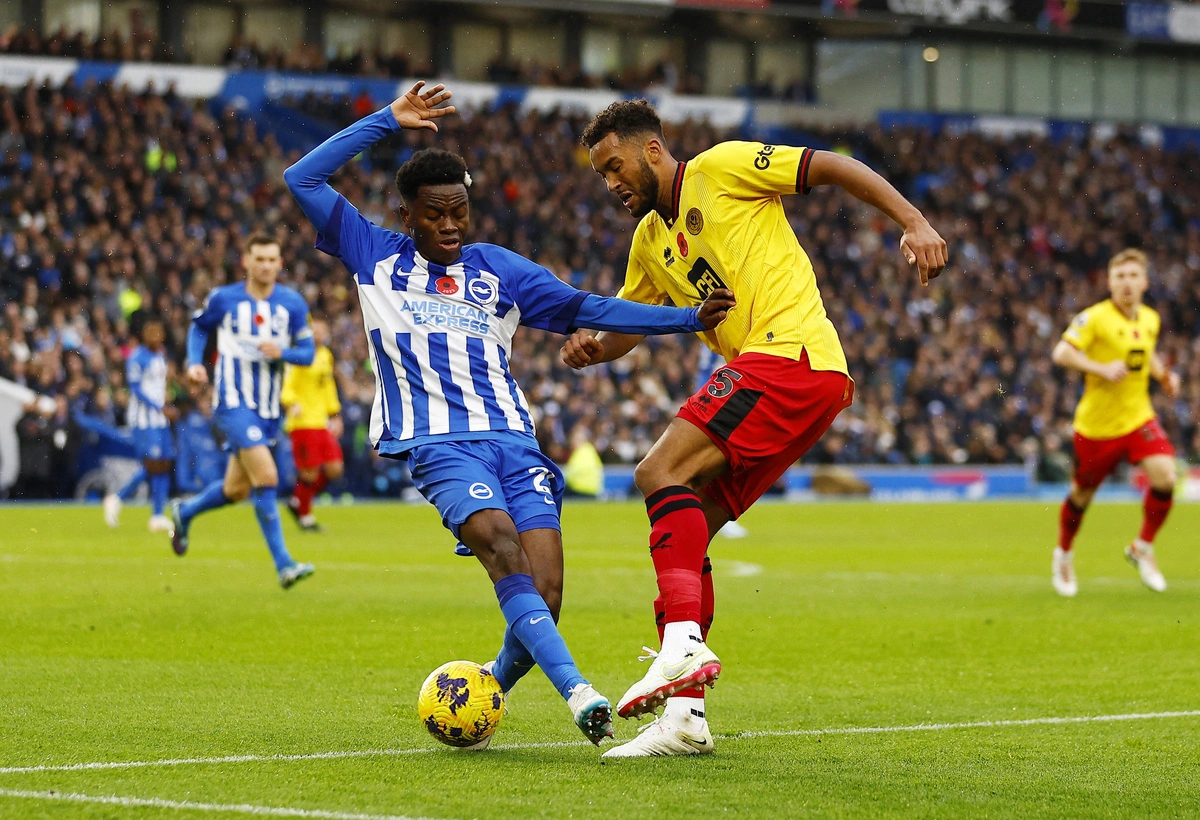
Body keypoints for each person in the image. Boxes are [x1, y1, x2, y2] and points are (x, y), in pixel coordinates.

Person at [284, 81, 734, 748]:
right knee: (498, 542)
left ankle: (484, 689)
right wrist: (388, 120)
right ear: (408, 216)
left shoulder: (498, 270)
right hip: (439, 444)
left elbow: (588, 308)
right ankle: (580, 692)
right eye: (435, 214)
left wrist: (684, 319)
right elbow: (303, 176)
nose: (450, 224)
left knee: (545, 592)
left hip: (514, 443)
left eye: (459, 212)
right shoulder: (371, 253)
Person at [565, 99, 946, 757]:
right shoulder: (650, 243)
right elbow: (633, 323)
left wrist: (911, 220)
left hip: (790, 354)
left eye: (615, 165)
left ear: (652, 149)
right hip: (793, 377)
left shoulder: (725, 168)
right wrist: (597, 346)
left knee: (658, 471)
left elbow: (830, 166)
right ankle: (685, 719)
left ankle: (680, 644)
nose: (611, 183)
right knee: (691, 527)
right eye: (601, 175)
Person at [169, 235, 317, 590]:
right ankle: (284, 565)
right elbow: (199, 325)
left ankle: (184, 512)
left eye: (271, 260)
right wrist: (193, 364)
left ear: (280, 264)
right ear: (246, 262)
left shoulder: (292, 304)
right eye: (259, 259)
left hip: (268, 410)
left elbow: (308, 353)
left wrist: (282, 352)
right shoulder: (224, 299)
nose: (265, 265)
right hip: (233, 404)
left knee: (236, 490)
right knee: (267, 477)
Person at [1049, 248, 1180, 597]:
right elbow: (1061, 353)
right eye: (1120, 276)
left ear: (1145, 282)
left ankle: (1142, 548)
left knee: (1167, 476)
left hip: (1139, 417)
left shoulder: (1150, 319)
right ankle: (1063, 553)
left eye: (1133, 276)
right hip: (1097, 426)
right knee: (1082, 495)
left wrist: (1165, 376)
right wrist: (1100, 368)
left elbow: (1145, 353)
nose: (1127, 283)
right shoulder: (1094, 318)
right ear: (1109, 282)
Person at [104, 315, 175, 532]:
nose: (157, 337)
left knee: (165, 463)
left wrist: (167, 400)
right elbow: (135, 388)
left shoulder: (161, 355)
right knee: (152, 465)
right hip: (144, 420)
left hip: (159, 418)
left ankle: (157, 516)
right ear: (145, 336)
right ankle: (117, 498)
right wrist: (159, 406)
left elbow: (160, 383)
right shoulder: (136, 358)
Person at [281, 316, 344, 532]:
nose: (318, 334)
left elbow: (327, 386)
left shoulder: (326, 355)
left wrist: (335, 414)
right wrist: (291, 403)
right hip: (303, 420)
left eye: (321, 330)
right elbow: (287, 384)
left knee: (335, 468)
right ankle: (305, 516)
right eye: (314, 330)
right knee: (309, 473)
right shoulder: (298, 355)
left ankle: (297, 500)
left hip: (321, 421)